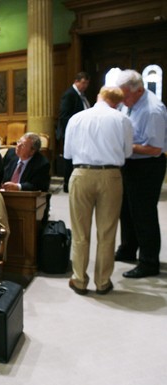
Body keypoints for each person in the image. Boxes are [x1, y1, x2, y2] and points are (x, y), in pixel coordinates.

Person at [64, 86, 133, 295]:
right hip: (110, 175)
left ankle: (79, 279)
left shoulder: (76, 118)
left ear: (98, 96)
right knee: (107, 231)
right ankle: (102, 282)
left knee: (80, 232)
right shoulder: (122, 119)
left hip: (81, 174)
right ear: (118, 102)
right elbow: (128, 151)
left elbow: (67, 152)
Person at [114, 69, 167, 278]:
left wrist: (127, 145)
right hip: (130, 164)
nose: (122, 100)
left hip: (147, 167)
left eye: (125, 95)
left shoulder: (153, 110)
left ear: (138, 90)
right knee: (126, 209)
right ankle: (128, 249)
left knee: (144, 213)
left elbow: (155, 149)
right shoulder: (129, 104)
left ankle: (149, 261)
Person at [56, 72, 91, 192]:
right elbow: (64, 116)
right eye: (83, 83)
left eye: (87, 83)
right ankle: (67, 184)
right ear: (76, 81)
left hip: (82, 133)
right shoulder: (70, 94)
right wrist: (72, 131)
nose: (85, 85)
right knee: (70, 159)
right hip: (72, 133)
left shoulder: (82, 95)